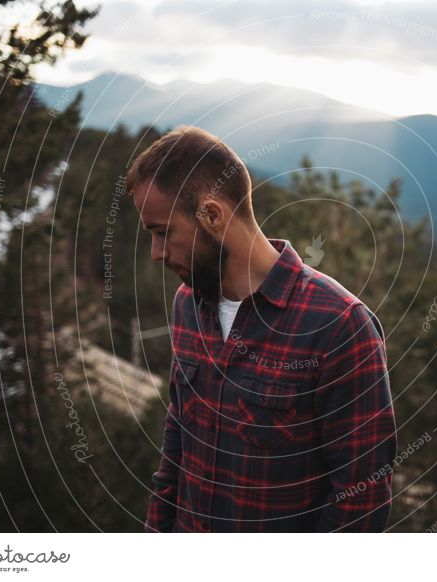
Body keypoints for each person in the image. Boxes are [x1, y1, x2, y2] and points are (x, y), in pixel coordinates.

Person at [126, 125, 397, 532]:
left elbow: (360, 501)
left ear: (212, 215)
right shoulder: (188, 303)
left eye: (163, 233)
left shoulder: (338, 325)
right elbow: (176, 448)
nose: (156, 253)